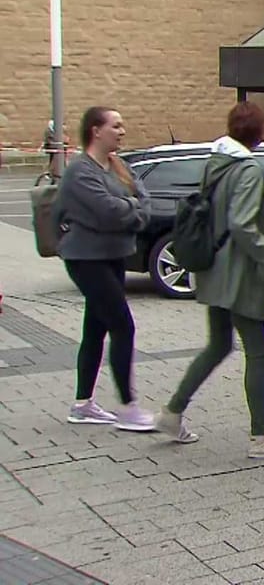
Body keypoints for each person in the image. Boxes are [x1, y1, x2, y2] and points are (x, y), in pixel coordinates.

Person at [157, 102, 264, 457]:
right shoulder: (248, 170)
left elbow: (255, 219)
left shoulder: (217, 163)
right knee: (258, 352)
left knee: (218, 345)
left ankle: (172, 411)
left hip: (214, 271)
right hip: (240, 275)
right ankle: (261, 436)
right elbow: (246, 222)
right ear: (258, 134)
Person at [55, 107, 155, 431]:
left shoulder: (116, 165)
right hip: (86, 259)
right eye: (116, 126)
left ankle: (82, 404)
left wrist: (132, 209)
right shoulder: (80, 171)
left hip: (113, 254)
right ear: (96, 131)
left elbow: (144, 200)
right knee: (122, 326)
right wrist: (132, 209)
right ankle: (128, 408)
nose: (122, 131)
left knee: (95, 329)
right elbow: (108, 211)